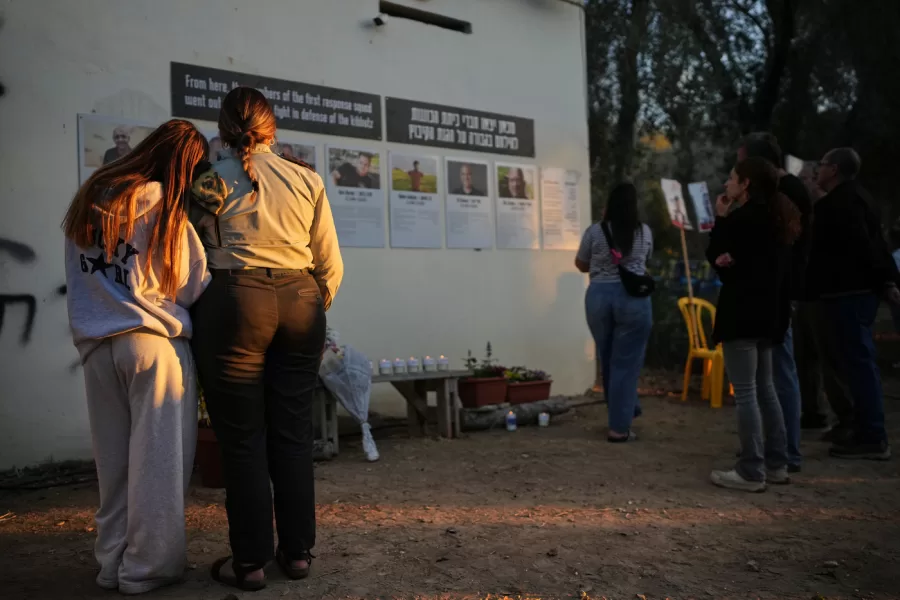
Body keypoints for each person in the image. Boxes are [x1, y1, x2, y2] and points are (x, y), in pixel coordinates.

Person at [189, 87, 344, 591]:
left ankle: (250, 562)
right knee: (293, 433)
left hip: (236, 303)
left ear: (225, 129)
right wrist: (308, 304)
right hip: (302, 302)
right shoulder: (307, 179)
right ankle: (297, 554)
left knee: (242, 439)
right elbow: (330, 266)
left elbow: (192, 259)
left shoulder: (208, 184)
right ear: (271, 130)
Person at [62, 119, 211, 594]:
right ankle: (148, 568)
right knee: (159, 466)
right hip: (152, 345)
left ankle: (111, 563)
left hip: (97, 345)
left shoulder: (90, 196)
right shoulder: (162, 205)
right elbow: (191, 284)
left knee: (115, 468)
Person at [707, 157, 801, 492]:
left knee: (746, 392)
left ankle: (751, 469)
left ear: (746, 184)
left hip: (743, 314)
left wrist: (720, 220)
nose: (726, 184)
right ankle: (777, 463)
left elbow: (719, 259)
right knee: (767, 390)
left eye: (732, 178)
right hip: (770, 315)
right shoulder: (779, 217)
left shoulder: (742, 219)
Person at [807, 147, 898, 460]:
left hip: (847, 294)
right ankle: (860, 427)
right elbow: (877, 244)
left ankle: (872, 435)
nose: (817, 171)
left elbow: (862, 247)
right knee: (853, 364)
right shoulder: (861, 198)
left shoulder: (838, 204)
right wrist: (886, 281)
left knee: (858, 364)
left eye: (821, 165)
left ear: (833, 170)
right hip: (854, 292)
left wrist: (883, 280)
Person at [736, 133, 809, 472]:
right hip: (778, 295)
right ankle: (777, 452)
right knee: (770, 379)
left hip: (779, 297)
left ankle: (785, 452)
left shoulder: (784, 195)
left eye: (742, 162)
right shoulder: (781, 195)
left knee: (777, 376)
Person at [575, 183, 653, 442]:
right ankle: (619, 428)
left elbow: (581, 264)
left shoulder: (595, 232)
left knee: (609, 359)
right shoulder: (644, 232)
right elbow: (645, 261)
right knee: (626, 363)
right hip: (633, 301)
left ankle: (624, 411)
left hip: (598, 298)